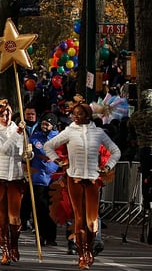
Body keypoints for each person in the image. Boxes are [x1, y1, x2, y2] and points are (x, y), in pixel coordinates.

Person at [44, 102, 121, 270]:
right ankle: (82, 255)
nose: (75, 116)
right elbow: (48, 146)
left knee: (92, 223)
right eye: (74, 114)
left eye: (79, 113)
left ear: (87, 116)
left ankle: (89, 249)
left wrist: (107, 166)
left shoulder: (99, 133)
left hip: (93, 179)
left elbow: (116, 151)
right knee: (79, 218)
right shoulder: (69, 131)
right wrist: (59, 161)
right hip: (74, 178)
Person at [0, 99, 29, 265]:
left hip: (16, 177)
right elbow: (3, 149)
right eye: (2, 115)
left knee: (15, 217)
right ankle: (4, 250)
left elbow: (24, 151)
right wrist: (18, 133)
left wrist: (28, 154)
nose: (6, 118)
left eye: (8, 114)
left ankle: (14, 245)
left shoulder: (20, 129)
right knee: (2, 216)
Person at [30, 113, 61, 247]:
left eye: (46, 124)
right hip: (39, 178)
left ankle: (51, 236)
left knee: (52, 209)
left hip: (54, 178)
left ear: (52, 125)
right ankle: (40, 235)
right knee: (40, 209)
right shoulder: (35, 137)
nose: (44, 126)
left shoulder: (60, 138)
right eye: (42, 123)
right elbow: (37, 151)